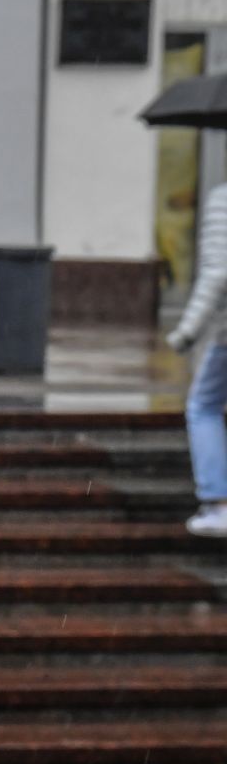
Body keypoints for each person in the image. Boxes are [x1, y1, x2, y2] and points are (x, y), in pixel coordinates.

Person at [168, 178, 227, 538]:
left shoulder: (224, 198)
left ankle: (219, 504)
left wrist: (186, 332)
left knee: (203, 406)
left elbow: (218, 273)